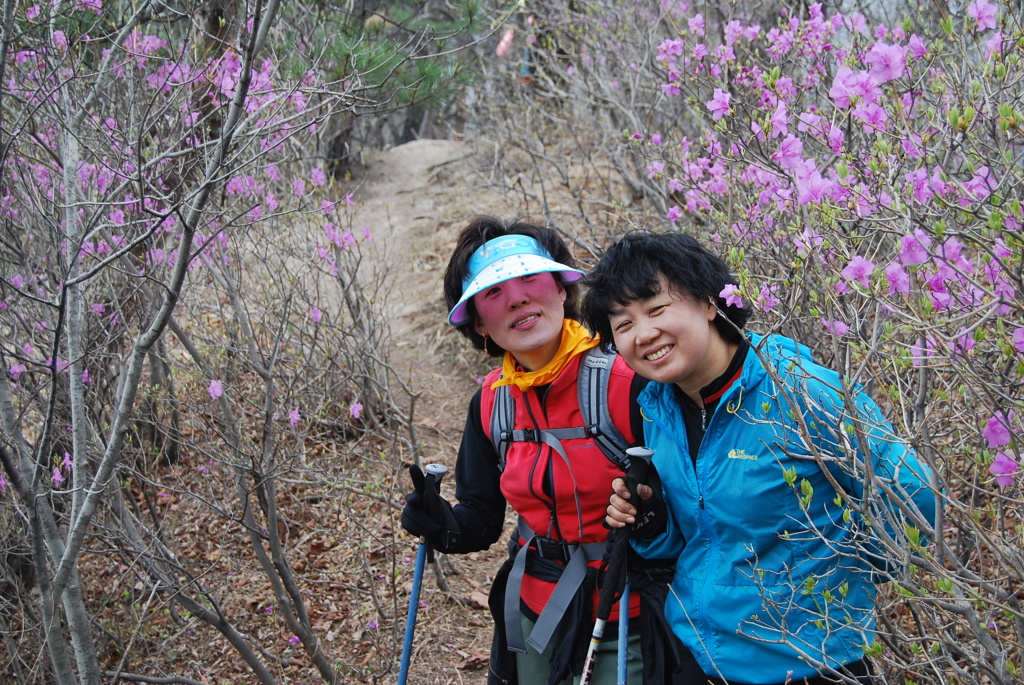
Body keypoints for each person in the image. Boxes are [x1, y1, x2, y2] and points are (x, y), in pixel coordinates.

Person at [580, 231, 939, 685]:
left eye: (656, 309)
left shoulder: (801, 391)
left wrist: (847, 579)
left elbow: (915, 496)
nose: (644, 333)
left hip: (810, 662)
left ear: (710, 304)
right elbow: (700, 537)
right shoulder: (660, 407)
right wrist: (650, 518)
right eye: (624, 324)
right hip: (697, 652)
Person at [401, 216, 690, 685]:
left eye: (530, 278)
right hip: (533, 615)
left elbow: (691, 500)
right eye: (493, 291)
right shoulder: (492, 403)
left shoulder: (629, 384)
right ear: (479, 321)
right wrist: (443, 525)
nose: (516, 298)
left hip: (628, 612)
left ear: (561, 289)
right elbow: (481, 516)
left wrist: (651, 512)